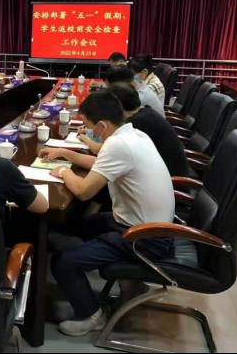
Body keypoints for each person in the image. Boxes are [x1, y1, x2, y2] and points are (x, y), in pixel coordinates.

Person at [46, 90, 174, 337]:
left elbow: (83, 191)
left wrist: (63, 171)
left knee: (63, 262)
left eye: (89, 126)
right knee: (82, 225)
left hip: (144, 239)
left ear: (102, 125)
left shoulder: (118, 145)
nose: (88, 131)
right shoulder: (134, 135)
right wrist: (67, 155)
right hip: (147, 226)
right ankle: (125, 280)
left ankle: (91, 315)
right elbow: (102, 164)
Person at [107, 83, 190, 177]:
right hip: (163, 171)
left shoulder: (137, 123)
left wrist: (91, 142)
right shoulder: (145, 112)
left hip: (171, 178)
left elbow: (114, 150)